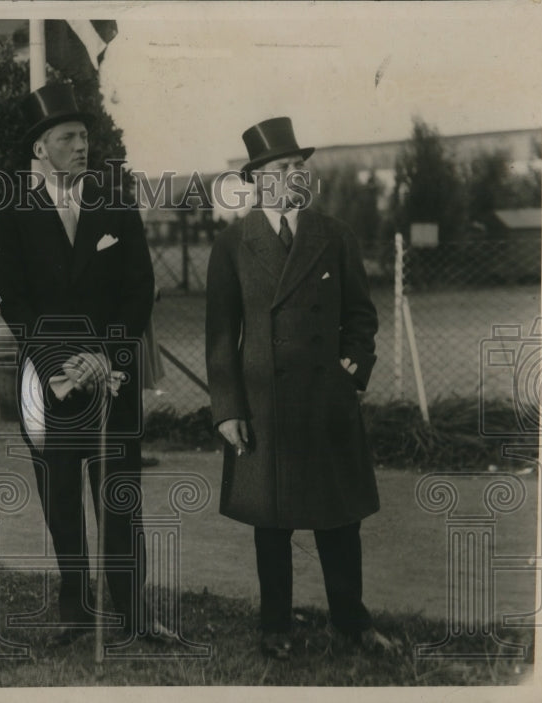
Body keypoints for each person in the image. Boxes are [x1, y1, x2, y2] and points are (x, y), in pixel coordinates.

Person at [205, 116, 393, 659]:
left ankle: (352, 622)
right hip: (264, 404)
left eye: (298, 166)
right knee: (273, 522)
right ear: (258, 179)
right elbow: (221, 337)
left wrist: (351, 374)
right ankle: (275, 627)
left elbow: (361, 316)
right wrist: (227, 409)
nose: (294, 175)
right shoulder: (233, 245)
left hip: (326, 400)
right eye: (282, 167)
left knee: (340, 518)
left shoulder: (334, 235)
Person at [0, 83, 168, 644]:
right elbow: (13, 297)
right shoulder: (10, 206)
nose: (81, 145)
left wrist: (105, 355)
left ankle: (132, 611)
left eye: (85, 136)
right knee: (62, 494)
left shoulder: (114, 197)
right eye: (67, 137)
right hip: (50, 383)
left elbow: (139, 287)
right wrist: (57, 364)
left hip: (113, 375)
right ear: (40, 148)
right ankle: (75, 608)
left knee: (120, 494)